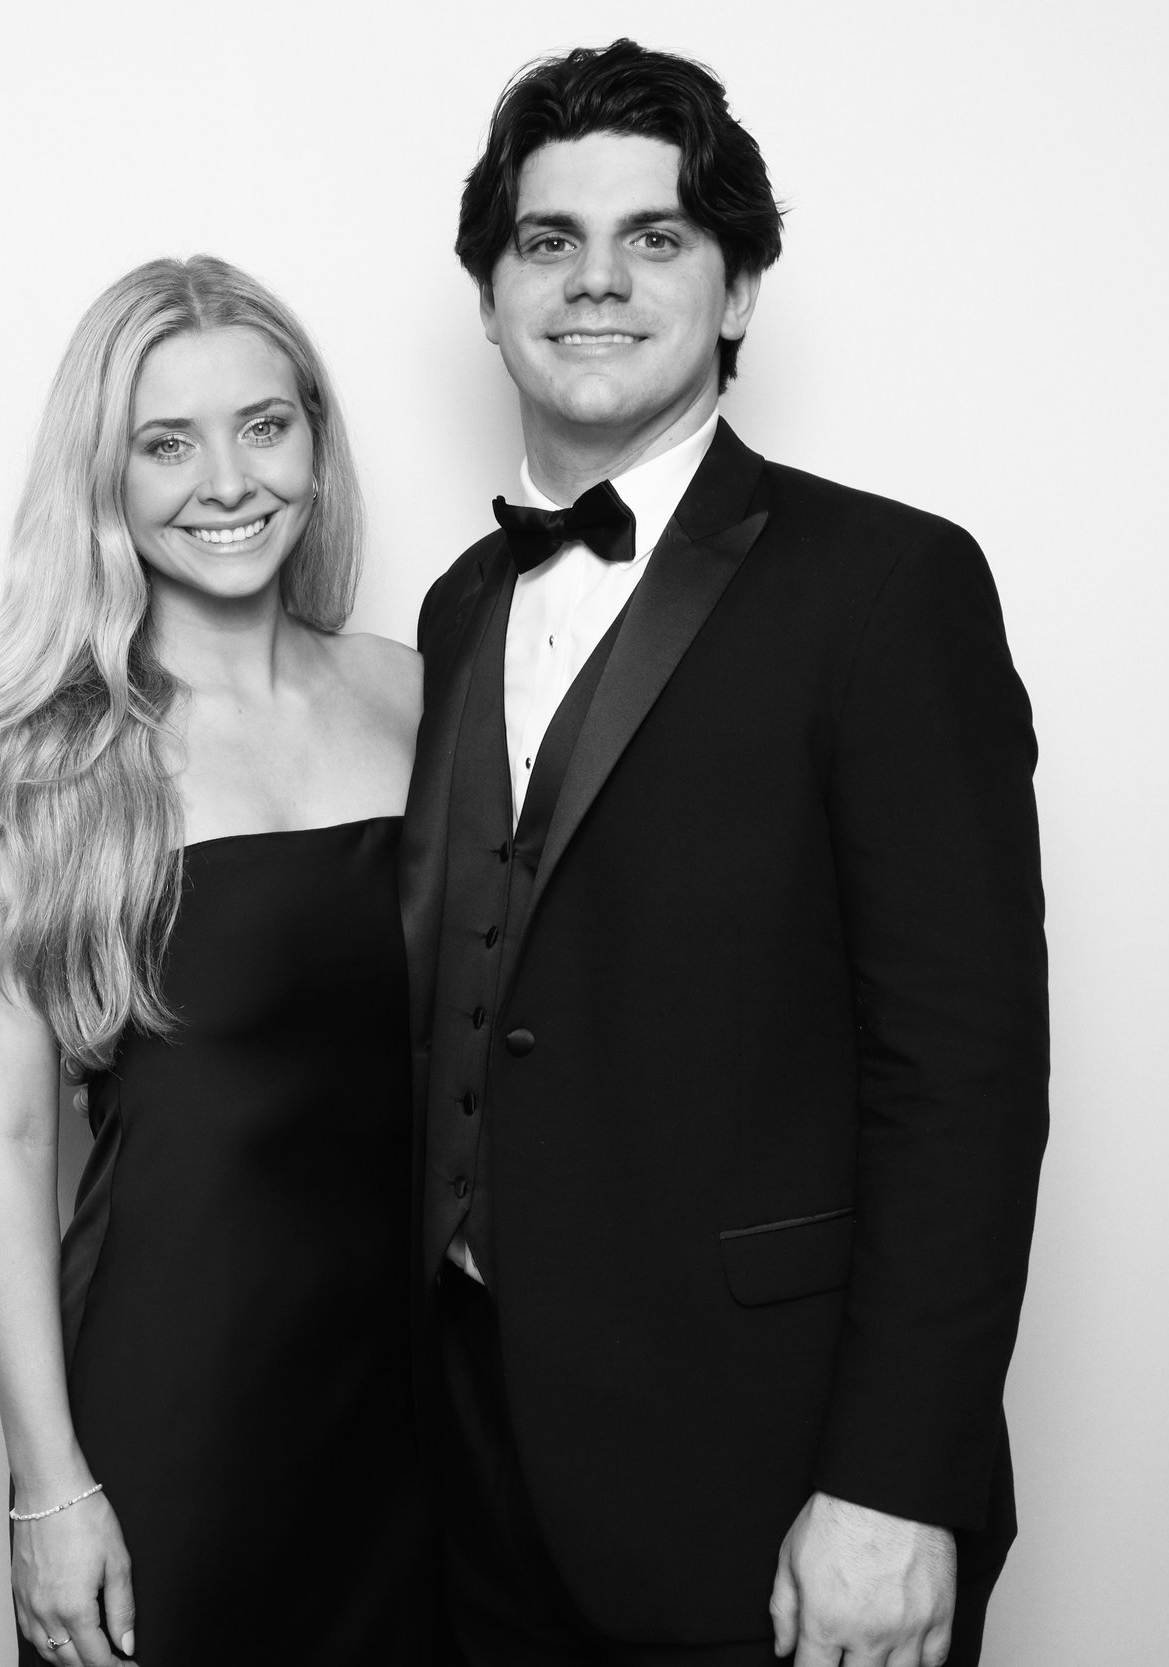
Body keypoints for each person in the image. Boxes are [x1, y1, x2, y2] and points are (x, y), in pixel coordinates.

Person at [405, 42, 1049, 1667]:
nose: (597, 281)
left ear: (741, 287)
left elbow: (963, 1072)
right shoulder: (461, 610)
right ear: (490, 296)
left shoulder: (889, 587)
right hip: (469, 1458)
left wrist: (895, 1487)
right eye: (548, 241)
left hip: (770, 1473)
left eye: (660, 237)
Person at [0, 256, 429, 1666]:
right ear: (107, 476)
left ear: (317, 444)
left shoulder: (426, 690)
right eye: (168, 442)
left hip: (430, 1406)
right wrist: (48, 1483)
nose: (227, 480)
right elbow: (2, 1130)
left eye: (264, 426)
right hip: (185, 1399)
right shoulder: (46, 757)